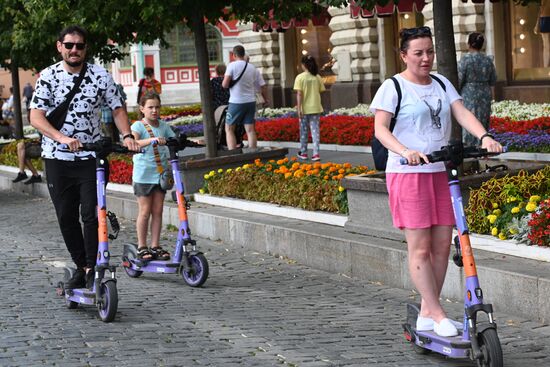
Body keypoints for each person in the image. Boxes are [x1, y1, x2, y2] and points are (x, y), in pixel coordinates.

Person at [370, 26, 502, 338]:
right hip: (407, 174)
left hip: (440, 173)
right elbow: (380, 130)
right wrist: (406, 150)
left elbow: (462, 112)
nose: (426, 58)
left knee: (443, 245)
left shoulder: (442, 83)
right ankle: (437, 310)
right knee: (420, 248)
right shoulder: (393, 87)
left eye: (429, 52)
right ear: (404, 55)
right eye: (418, 53)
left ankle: (428, 311)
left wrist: (484, 136)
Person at [29, 25, 140, 290]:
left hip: (91, 159)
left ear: (85, 48)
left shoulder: (100, 76)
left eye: (79, 45)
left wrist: (126, 135)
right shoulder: (48, 77)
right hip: (57, 159)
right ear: (60, 47)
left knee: (92, 215)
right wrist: (62, 138)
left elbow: (117, 108)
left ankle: (93, 268)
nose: (74, 50)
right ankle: (82, 266)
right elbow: (36, 116)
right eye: (69, 45)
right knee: (66, 216)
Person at [131, 93, 175, 261]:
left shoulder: (163, 126)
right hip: (143, 176)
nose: (154, 110)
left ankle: (155, 245)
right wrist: (152, 140)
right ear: (142, 109)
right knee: (145, 211)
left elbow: (173, 138)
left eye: (157, 107)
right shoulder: (138, 126)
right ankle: (142, 246)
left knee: (158, 211)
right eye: (150, 107)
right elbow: (133, 143)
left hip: (160, 175)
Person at [222, 45, 268, 150]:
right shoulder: (252, 68)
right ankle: (253, 154)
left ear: (233, 55)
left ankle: (233, 155)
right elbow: (263, 86)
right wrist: (265, 99)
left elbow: (225, 84)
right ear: (243, 54)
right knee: (250, 129)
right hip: (251, 102)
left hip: (236, 102)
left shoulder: (232, 66)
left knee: (229, 129)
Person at [458, 32, 497, 146]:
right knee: (483, 119)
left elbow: (459, 79)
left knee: (469, 118)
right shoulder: (488, 60)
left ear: (469, 44)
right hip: (485, 92)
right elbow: (493, 79)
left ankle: (470, 146)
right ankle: (483, 143)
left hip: (468, 93)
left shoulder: (465, 60)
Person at [293, 55, 326, 161]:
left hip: (304, 109)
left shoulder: (300, 77)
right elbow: (321, 91)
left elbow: (299, 94)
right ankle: (316, 154)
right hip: (316, 108)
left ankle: (304, 152)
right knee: (315, 131)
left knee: (304, 131)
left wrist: (299, 108)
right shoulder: (317, 77)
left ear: (303, 65)